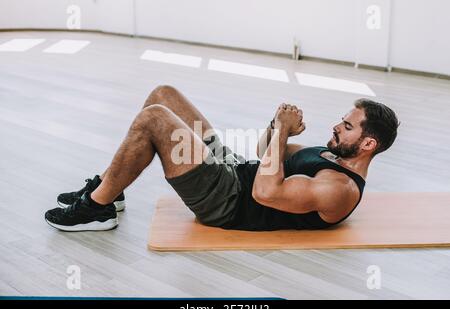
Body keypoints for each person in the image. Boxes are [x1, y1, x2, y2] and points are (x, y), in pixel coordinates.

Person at [45, 85, 400, 232]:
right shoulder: (331, 156)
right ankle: (113, 188)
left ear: (367, 144)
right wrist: (277, 126)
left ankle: (97, 207)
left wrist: (281, 133)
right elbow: (266, 155)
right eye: (342, 119)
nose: (337, 126)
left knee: (154, 118)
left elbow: (265, 192)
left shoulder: (339, 189)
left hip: (228, 201)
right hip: (233, 170)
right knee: (164, 95)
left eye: (348, 125)